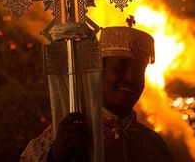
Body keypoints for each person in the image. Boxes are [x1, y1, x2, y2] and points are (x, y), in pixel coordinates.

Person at [20, 26, 173, 162]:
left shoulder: (154, 145)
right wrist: (55, 157)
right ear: (99, 73)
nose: (130, 78)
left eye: (139, 71)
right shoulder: (66, 135)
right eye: (120, 68)